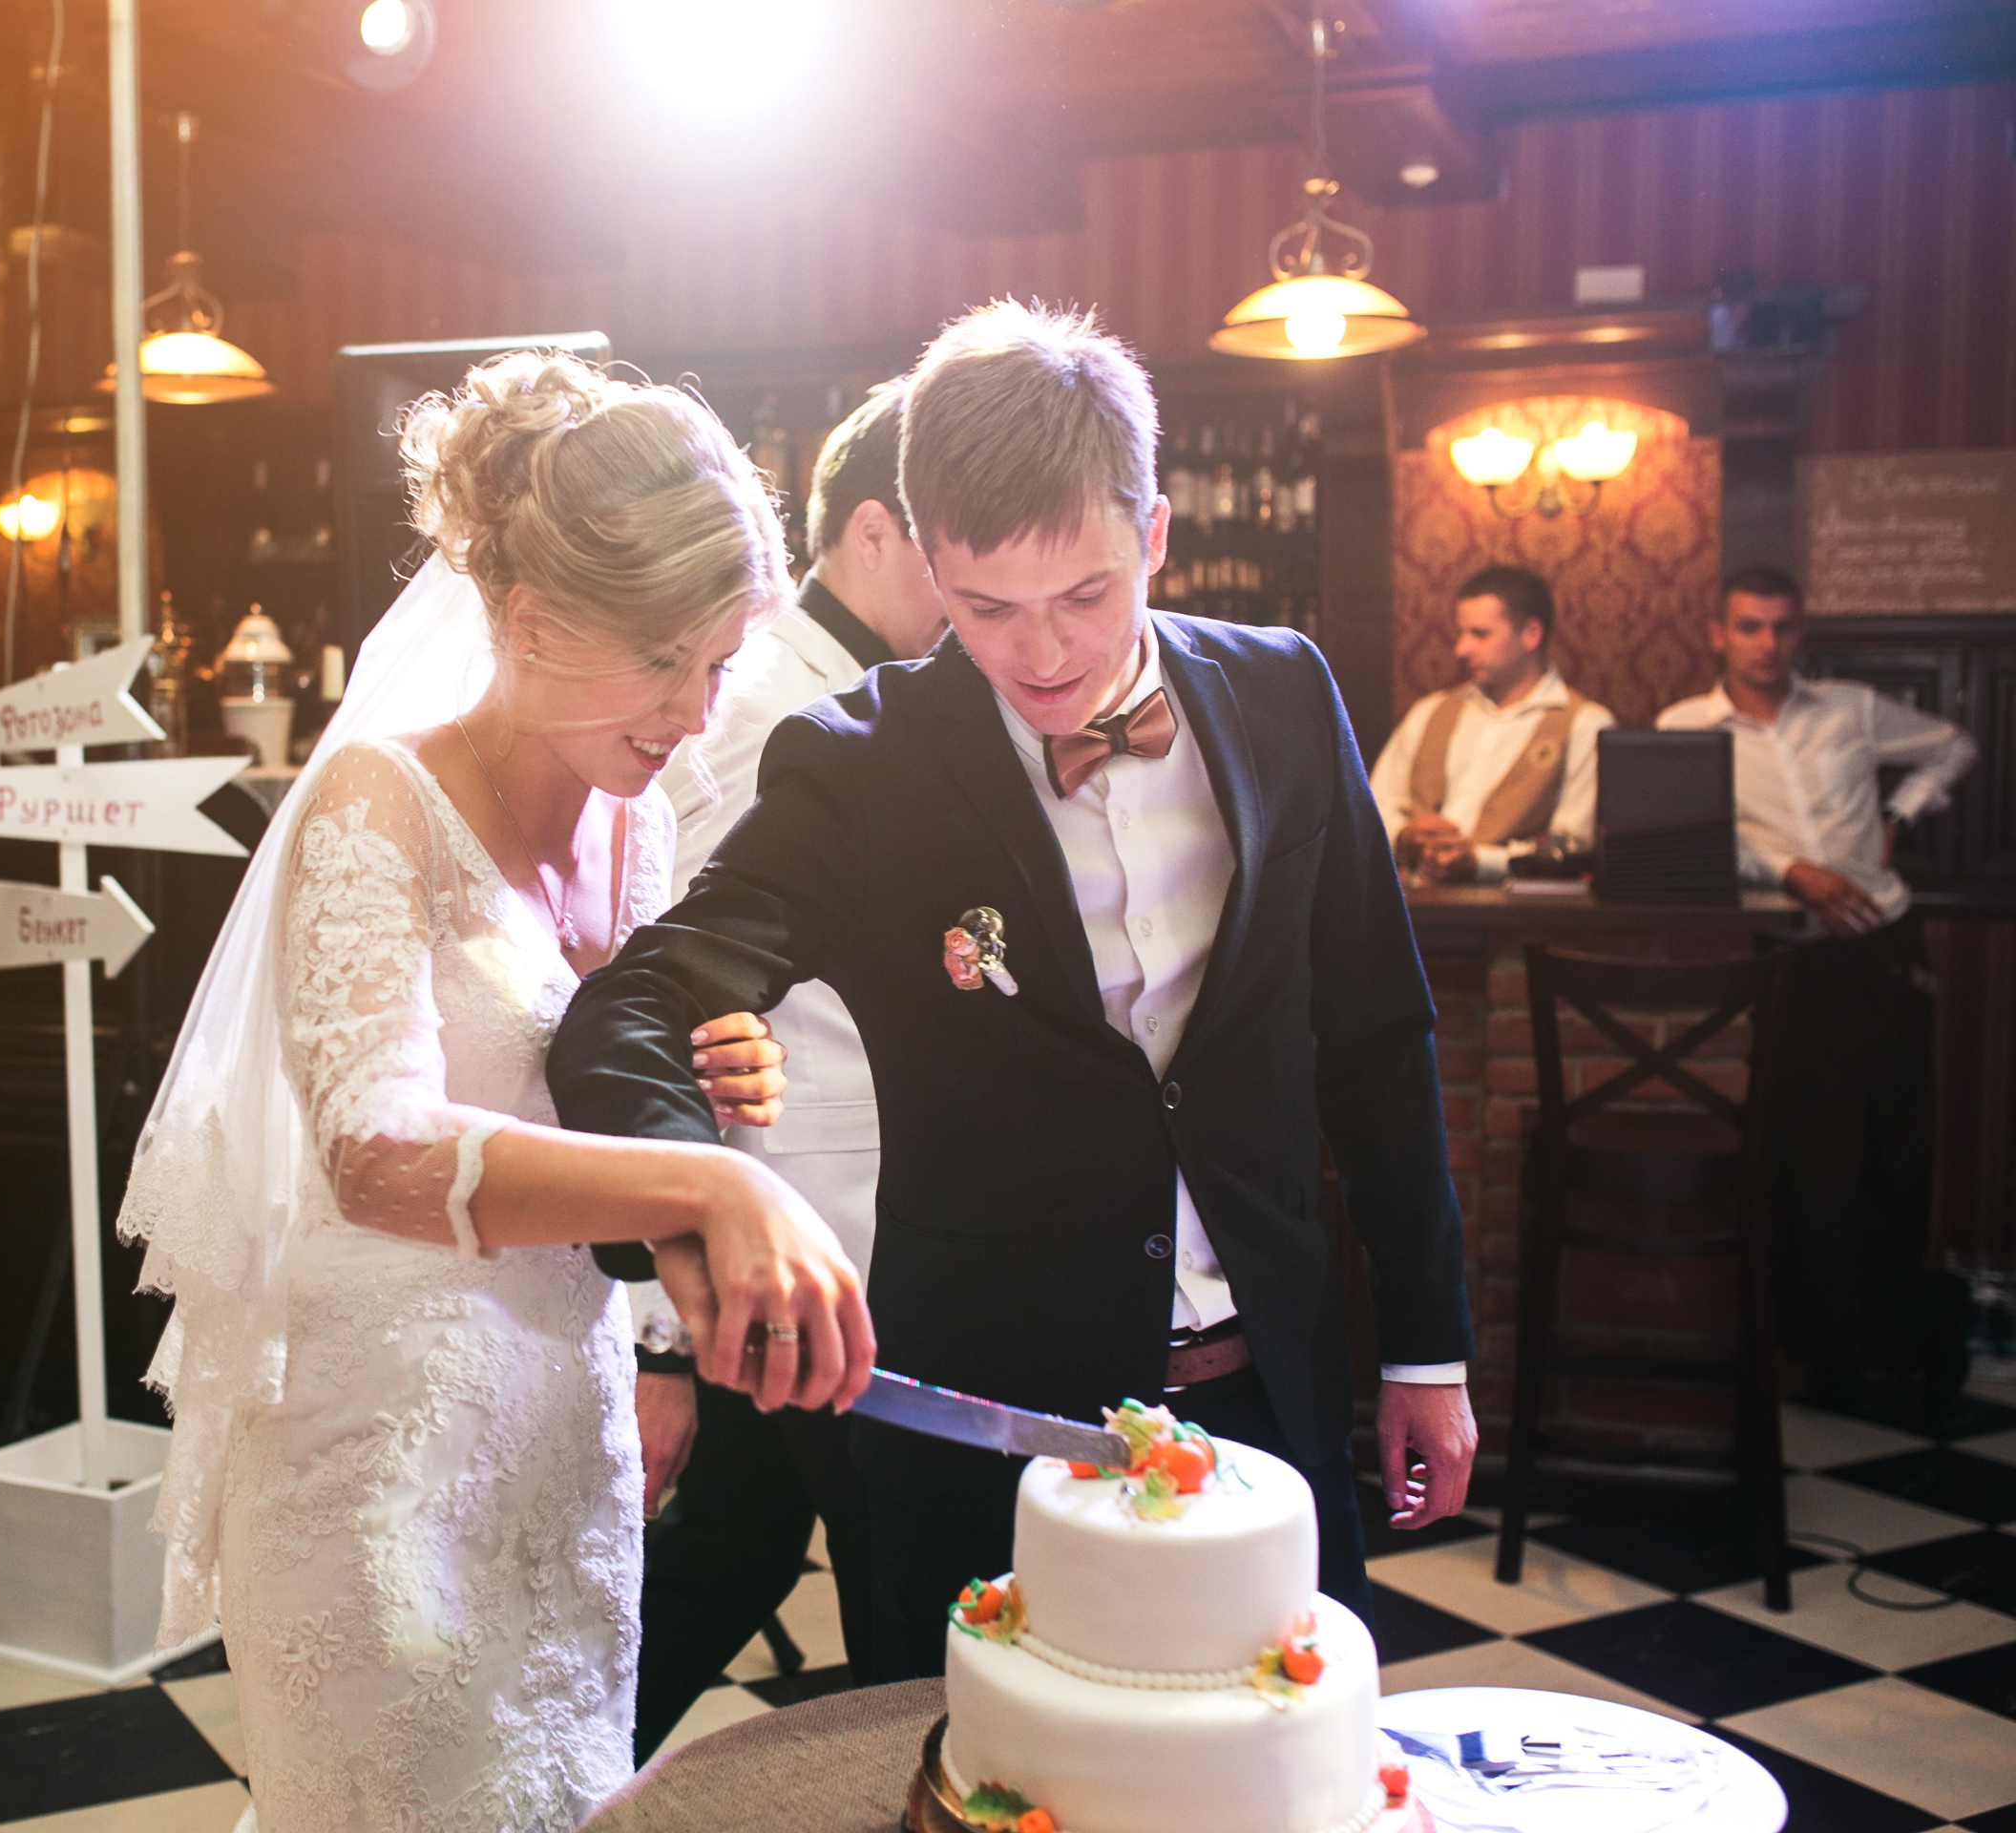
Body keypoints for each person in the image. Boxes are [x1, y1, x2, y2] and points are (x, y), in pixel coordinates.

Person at [549, 302, 1478, 1684]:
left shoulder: (1285, 697)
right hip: (984, 1430)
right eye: (987, 610)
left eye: (1087, 597)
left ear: (1152, 535)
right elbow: (636, 1002)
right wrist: (704, 1198)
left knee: (1277, 1768)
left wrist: (1427, 1349)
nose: (1043, 656)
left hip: (1272, 1387)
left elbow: (1378, 1037)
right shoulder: (859, 765)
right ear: (927, 563)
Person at [113, 351, 873, 1833]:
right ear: (529, 621)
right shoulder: (375, 803)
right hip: (380, 1457)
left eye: (718, 663)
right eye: (663, 662)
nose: (693, 709)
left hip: (559, 1436)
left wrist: (714, 1092)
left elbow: (595, 1117)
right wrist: (710, 1185)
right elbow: (377, 1152)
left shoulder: (635, 829)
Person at [628, 382, 951, 1751]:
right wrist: (659, 1337)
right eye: (961, 543)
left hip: (844, 1251)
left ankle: (537, 1789)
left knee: (742, 1560)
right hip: (794, 1250)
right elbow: (652, 1015)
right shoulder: (758, 713)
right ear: (874, 531)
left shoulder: (882, 695)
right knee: (901, 1604)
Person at [1656, 565, 1976, 1402]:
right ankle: (1846, 1346)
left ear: (1802, 632)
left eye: (1784, 627)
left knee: (1897, 1145)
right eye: (1751, 626)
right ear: (1719, 633)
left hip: (1887, 937)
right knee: (1815, 1155)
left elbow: (1955, 744)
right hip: (1790, 949)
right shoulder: (1685, 726)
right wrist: (1792, 871)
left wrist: (1902, 815)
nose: (1769, 644)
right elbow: (1695, 828)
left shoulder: (1850, 708)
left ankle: (1903, 1334)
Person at [1370, 566, 1613, 880]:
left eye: (1479, 634)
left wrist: (1480, 861)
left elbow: (1575, 846)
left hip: (1512, 917)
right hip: (1413, 907)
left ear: (1531, 634)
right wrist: (1404, 836)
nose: (1461, 649)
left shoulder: (1585, 724)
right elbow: (1371, 809)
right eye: (1461, 633)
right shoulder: (1429, 712)